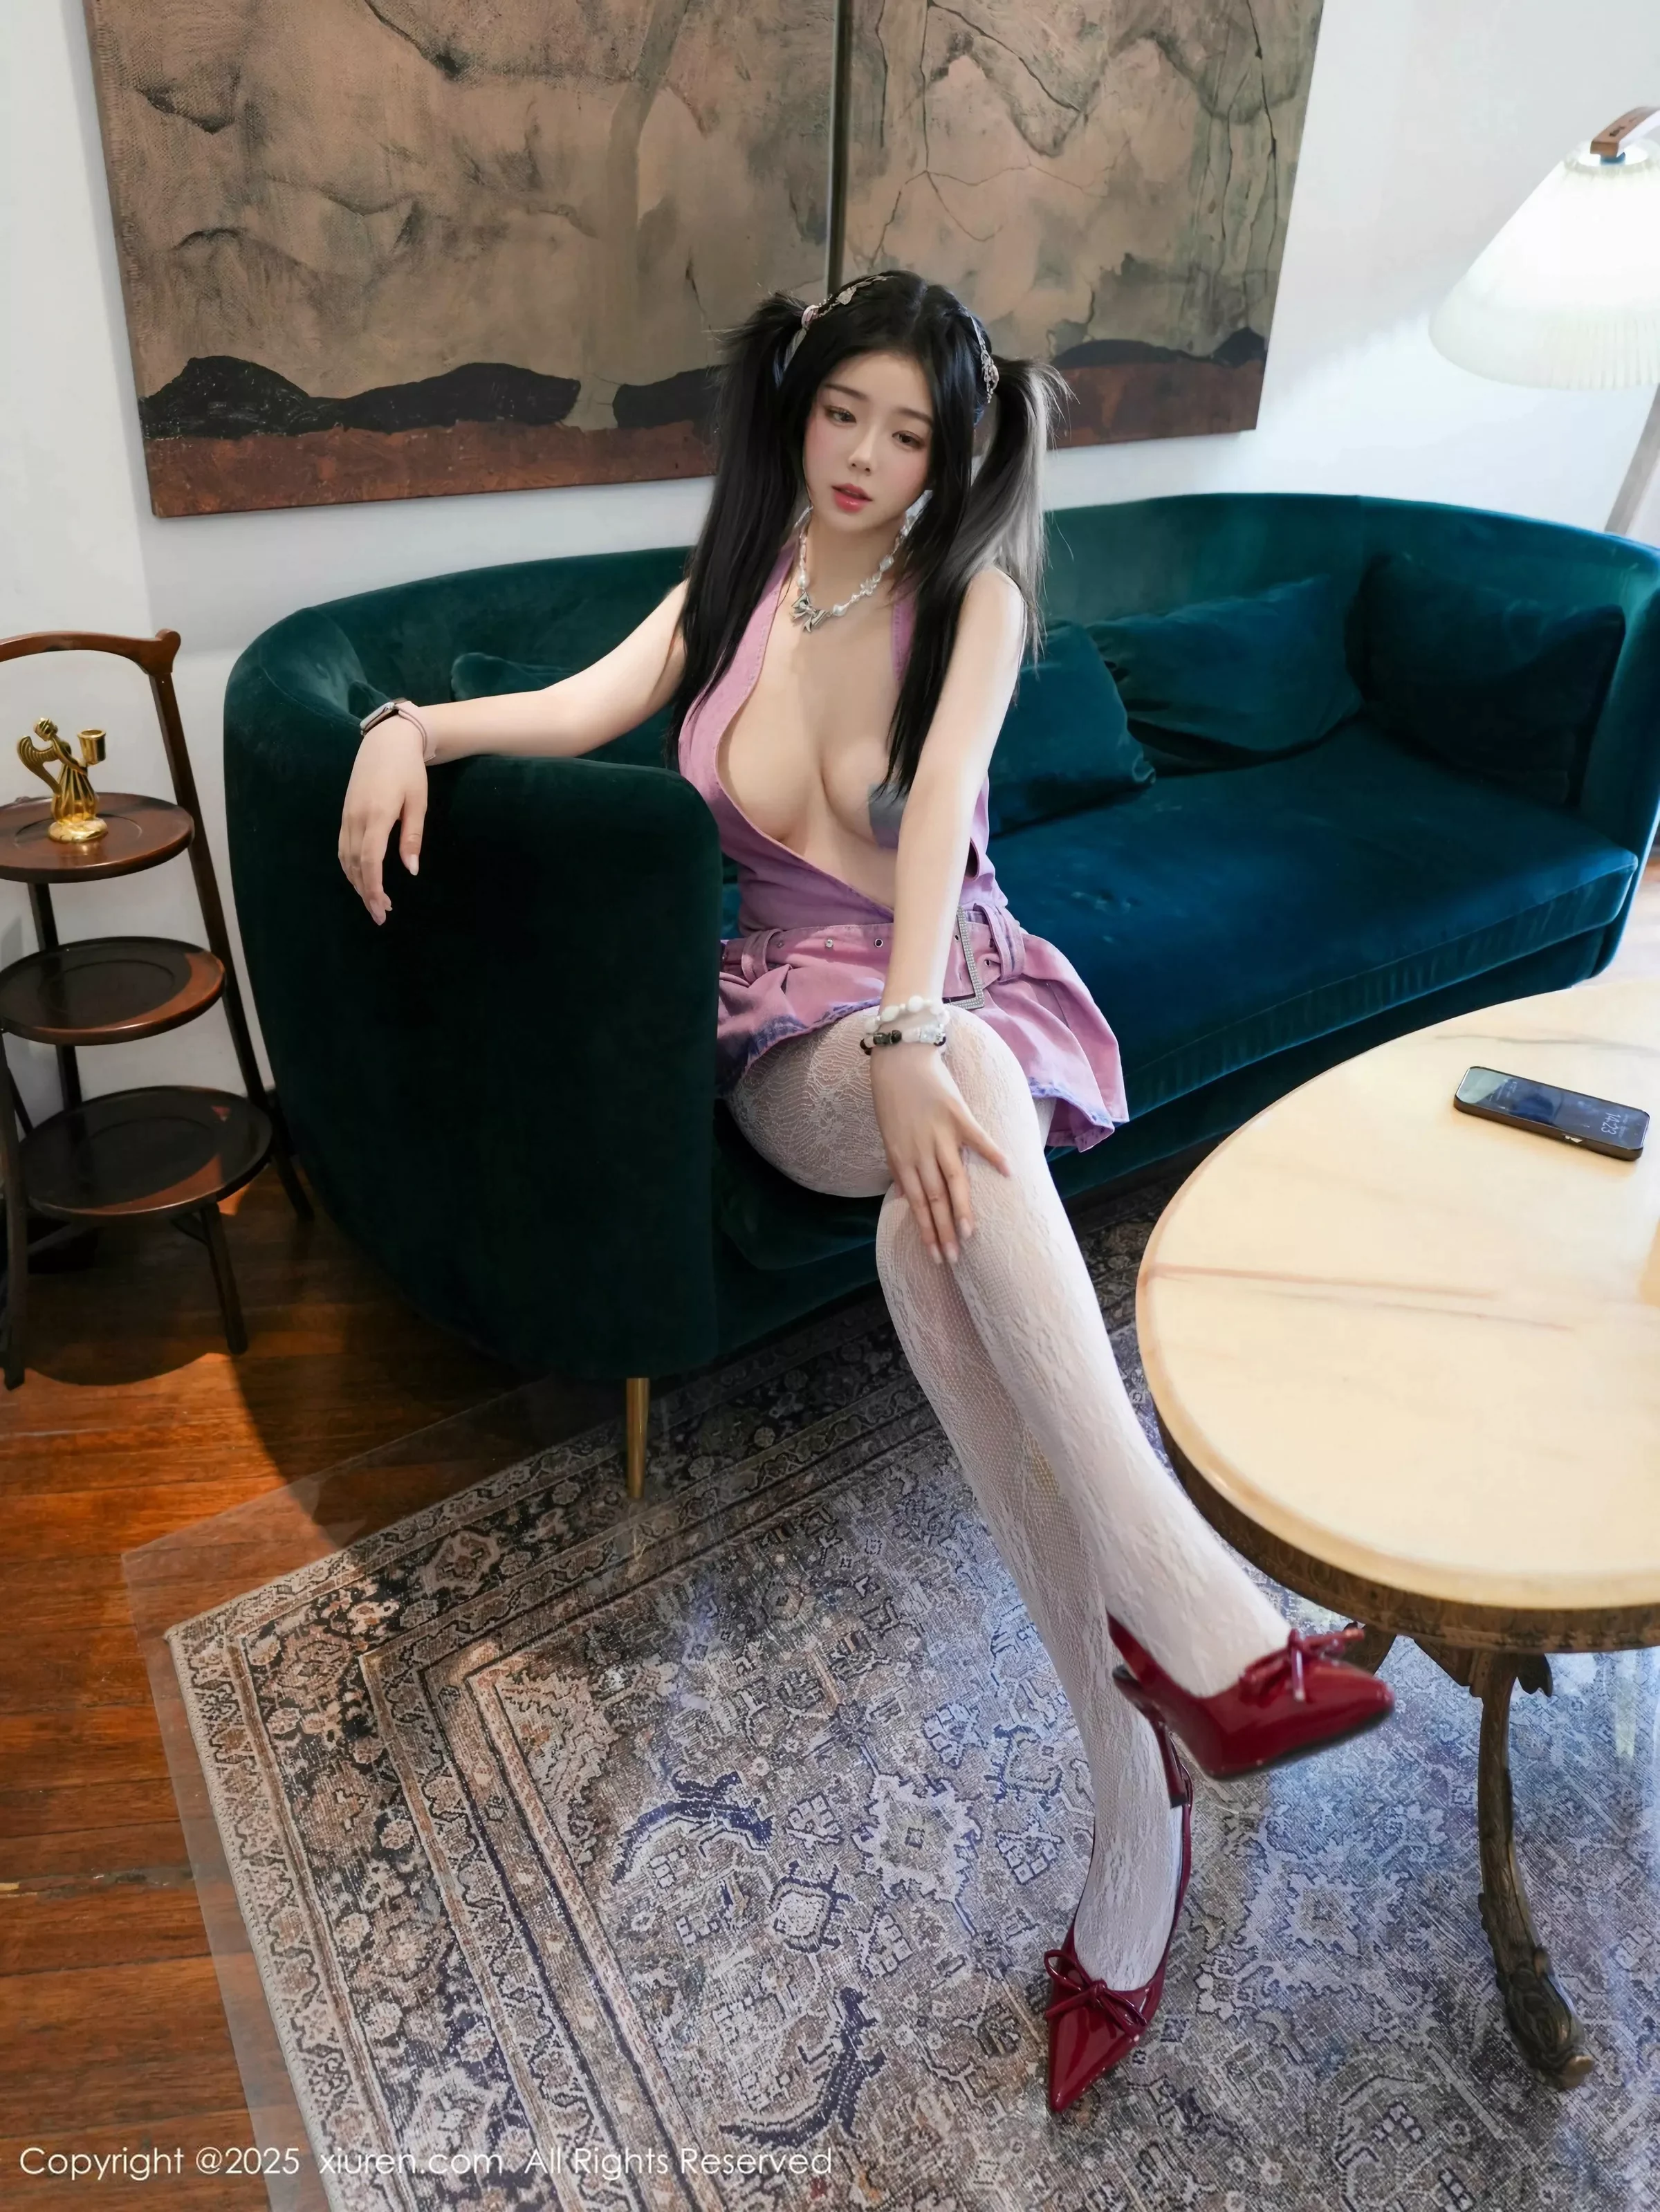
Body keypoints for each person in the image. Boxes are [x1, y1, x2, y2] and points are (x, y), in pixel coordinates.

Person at [337, 268, 1394, 2113]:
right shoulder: (736, 585)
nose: (868, 459)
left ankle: (1134, 1799)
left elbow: (949, 802)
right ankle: (1203, 1621)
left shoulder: (972, 599)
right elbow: (582, 705)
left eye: (912, 435)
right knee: (945, 1107)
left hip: (950, 997)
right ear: (798, 407)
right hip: (791, 1042)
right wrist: (410, 727)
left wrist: (914, 1024)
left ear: (951, 456)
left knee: (930, 1246)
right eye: (845, 415)